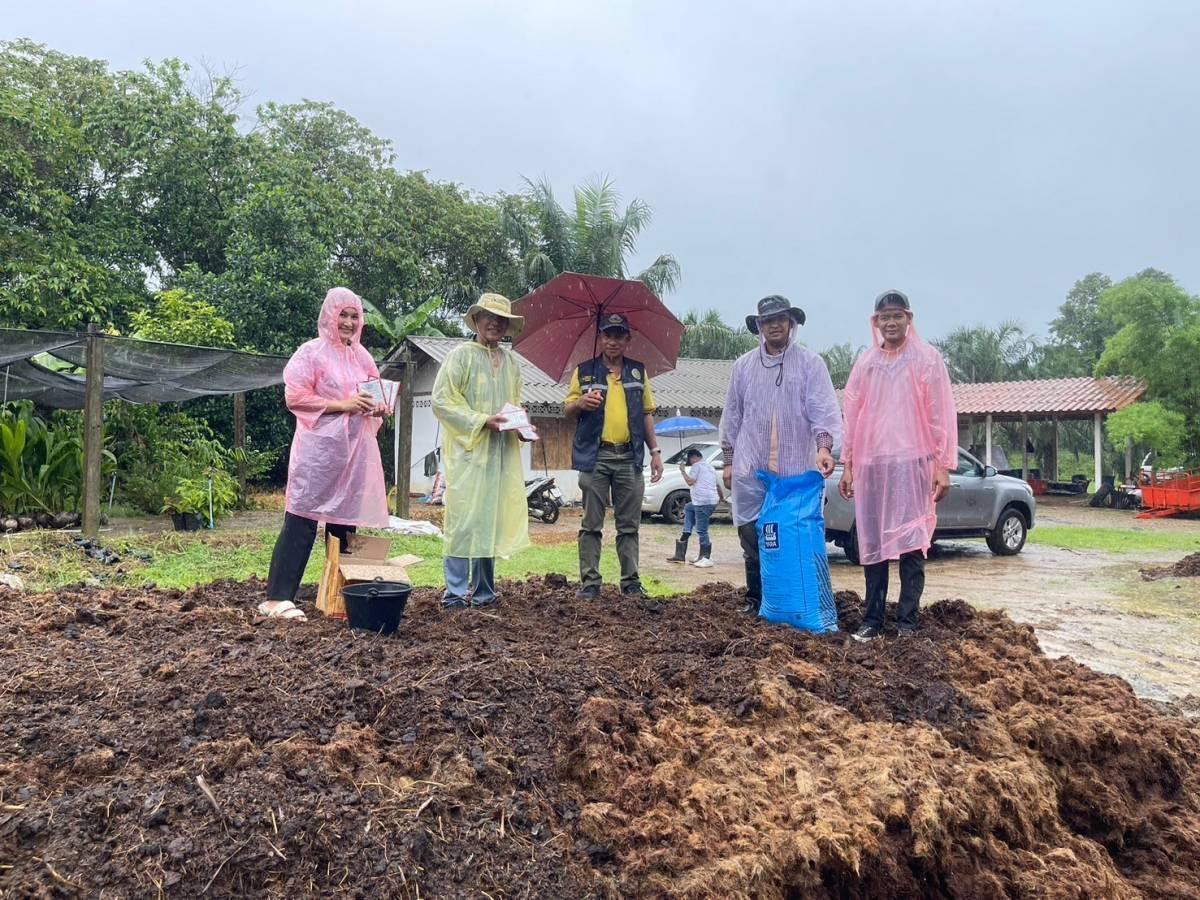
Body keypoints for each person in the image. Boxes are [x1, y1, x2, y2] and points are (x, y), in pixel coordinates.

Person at [262, 287, 389, 620]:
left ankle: (338, 597)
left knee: (344, 524)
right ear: (329, 317)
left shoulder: (363, 357)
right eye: (342, 315)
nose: (348, 323)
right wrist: (342, 405)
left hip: (354, 453)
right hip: (318, 453)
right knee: (302, 518)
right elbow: (296, 397)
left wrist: (379, 408)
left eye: (354, 316)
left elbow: (374, 394)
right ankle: (278, 597)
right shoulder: (311, 353)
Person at [839, 289, 957, 641]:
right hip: (873, 464)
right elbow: (854, 414)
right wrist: (849, 463)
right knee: (872, 543)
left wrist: (942, 465)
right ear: (876, 323)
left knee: (911, 543)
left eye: (897, 315)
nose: (891, 322)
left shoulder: (926, 359)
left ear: (909, 319)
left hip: (913, 464)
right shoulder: (867, 363)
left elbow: (940, 414)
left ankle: (907, 622)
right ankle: (872, 619)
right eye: (884, 317)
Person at [720, 295, 842, 614]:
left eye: (780, 319)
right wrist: (730, 461)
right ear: (759, 327)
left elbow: (823, 409)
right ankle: (757, 597)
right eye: (767, 321)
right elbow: (733, 414)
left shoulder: (810, 364)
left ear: (791, 324)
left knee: (792, 533)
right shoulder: (743, 366)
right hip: (752, 465)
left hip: (795, 468)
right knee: (751, 531)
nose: (774, 325)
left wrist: (824, 447)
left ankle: (794, 596)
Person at [432, 293, 531, 609]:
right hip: (469, 454)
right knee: (464, 522)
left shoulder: (511, 362)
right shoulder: (460, 356)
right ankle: (456, 593)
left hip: (500, 456)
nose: (495, 323)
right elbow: (442, 401)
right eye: (489, 316)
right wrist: (481, 420)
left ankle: (485, 591)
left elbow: (514, 404)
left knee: (491, 520)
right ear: (476, 320)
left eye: (501, 319)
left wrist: (522, 427)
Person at [565, 313, 664, 603]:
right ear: (601, 338)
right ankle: (590, 583)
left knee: (629, 525)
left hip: (628, 457)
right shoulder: (584, 372)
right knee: (591, 524)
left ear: (627, 340)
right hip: (595, 457)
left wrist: (655, 452)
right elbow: (567, 410)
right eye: (607, 335)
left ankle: (630, 583)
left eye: (619, 336)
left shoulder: (637, 373)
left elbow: (646, 414)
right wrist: (580, 402)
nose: (612, 341)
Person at [666, 447, 720, 568]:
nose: (690, 463)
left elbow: (690, 482)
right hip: (710, 500)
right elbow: (717, 485)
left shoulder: (696, 466)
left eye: (689, 460)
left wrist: (683, 471)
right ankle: (685, 537)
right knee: (688, 508)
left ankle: (706, 557)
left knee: (702, 529)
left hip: (702, 501)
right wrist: (721, 498)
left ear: (693, 457)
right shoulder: (710, 467)